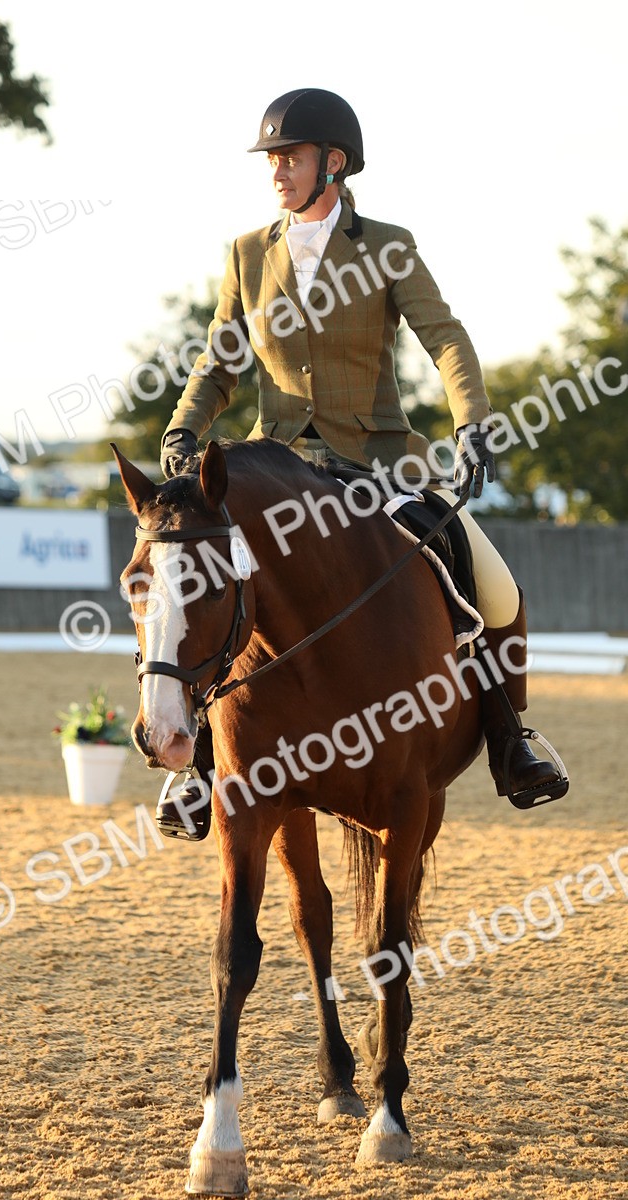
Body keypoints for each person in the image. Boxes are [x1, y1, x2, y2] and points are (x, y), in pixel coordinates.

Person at [155, 87, 564, 840]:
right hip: (273, 468)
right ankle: (202, 762)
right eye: (273, 158)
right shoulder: (249, 253)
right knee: (207, 587)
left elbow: (444, 337)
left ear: (333, 164)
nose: (277, 170)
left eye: (291, 156)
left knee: (497, 590)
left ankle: (512, 738)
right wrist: (184, 428)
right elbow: (221, 364)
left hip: (377, 466)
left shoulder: (388, 246)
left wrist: (472, 424)